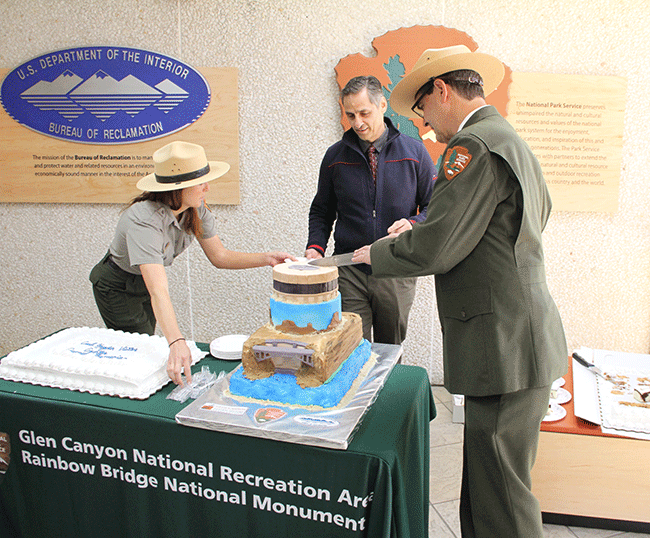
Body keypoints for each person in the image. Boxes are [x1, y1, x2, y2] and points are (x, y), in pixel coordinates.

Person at [352, 46, 568, 538]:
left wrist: (375, 254)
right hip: (517, 337)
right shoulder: (508, 139)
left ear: (442, 91)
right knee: (491, 487)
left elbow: (440, 244)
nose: (424, 125)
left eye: (422, 110)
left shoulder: (471, 147)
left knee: (505, 501)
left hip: (503, 343)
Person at [90, 141, 294, 386]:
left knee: (150, 344)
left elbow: (220, 256)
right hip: (117, 285)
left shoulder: (196, 210)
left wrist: (266, 259)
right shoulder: (143, 219)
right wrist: (177, 342)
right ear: (178, 188)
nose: (207, 187)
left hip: (145, 284)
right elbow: (158, 290)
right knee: (140, 351)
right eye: (200, 182)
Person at [305, 75, 436, 344]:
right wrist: (315, 247)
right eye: (350, 115)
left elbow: (435, 208)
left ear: (382, 105)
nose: (357, 123)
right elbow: (322, 210)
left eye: (364, 113)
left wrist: (412, 224)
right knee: (352, 351)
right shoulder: (334, 157)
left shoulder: (415, 152)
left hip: (396, 270)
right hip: (350, 270)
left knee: (390, 352)